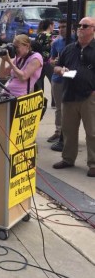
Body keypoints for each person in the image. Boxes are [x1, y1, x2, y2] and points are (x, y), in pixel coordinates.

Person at [52, 17, 95, 178]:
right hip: (69, 95)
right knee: (69, 130)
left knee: (92, 132)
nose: (80, 28)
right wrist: (59, 70)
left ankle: (93, 164)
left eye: (85, 26)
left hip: (89, 97)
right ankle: (68, 158)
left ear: (93, 29)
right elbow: (56, 65)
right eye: (79, 26)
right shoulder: (69, 49)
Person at [48, 19, 68, 151]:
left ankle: (68, 133)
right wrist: (54, 62)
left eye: (64, 27)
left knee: (70, 108)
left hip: (71, 79)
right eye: (59, 27)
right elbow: (50, 59)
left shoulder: (75, 41)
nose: (61, 29)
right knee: (59, 108)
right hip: (58, 79)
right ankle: (58, 131)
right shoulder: (56, 42)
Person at [34, 19, 55, 92]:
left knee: (39, 82)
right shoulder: (49, 36)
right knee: (54, 81)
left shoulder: (38, 35)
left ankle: (40, 99)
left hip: (38, 62)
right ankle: (54, 102)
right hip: (47, 62)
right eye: (53, 26)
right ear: (50, 26)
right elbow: (52, 47)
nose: (53, 28)